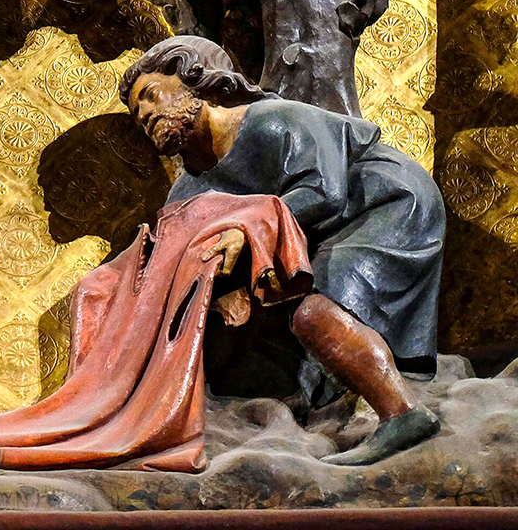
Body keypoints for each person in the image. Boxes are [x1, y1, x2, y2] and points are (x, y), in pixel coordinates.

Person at [121, 35, 444, 465]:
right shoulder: (187, 189)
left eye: (150, 96)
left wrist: (247, 229)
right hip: (315, 236)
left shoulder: (268, 121)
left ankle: (402, 413)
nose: (143, 114)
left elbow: (325, 190)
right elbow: (182, 259)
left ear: (195, 80)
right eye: (135, 112)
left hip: (382, 204)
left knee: (313, 314)